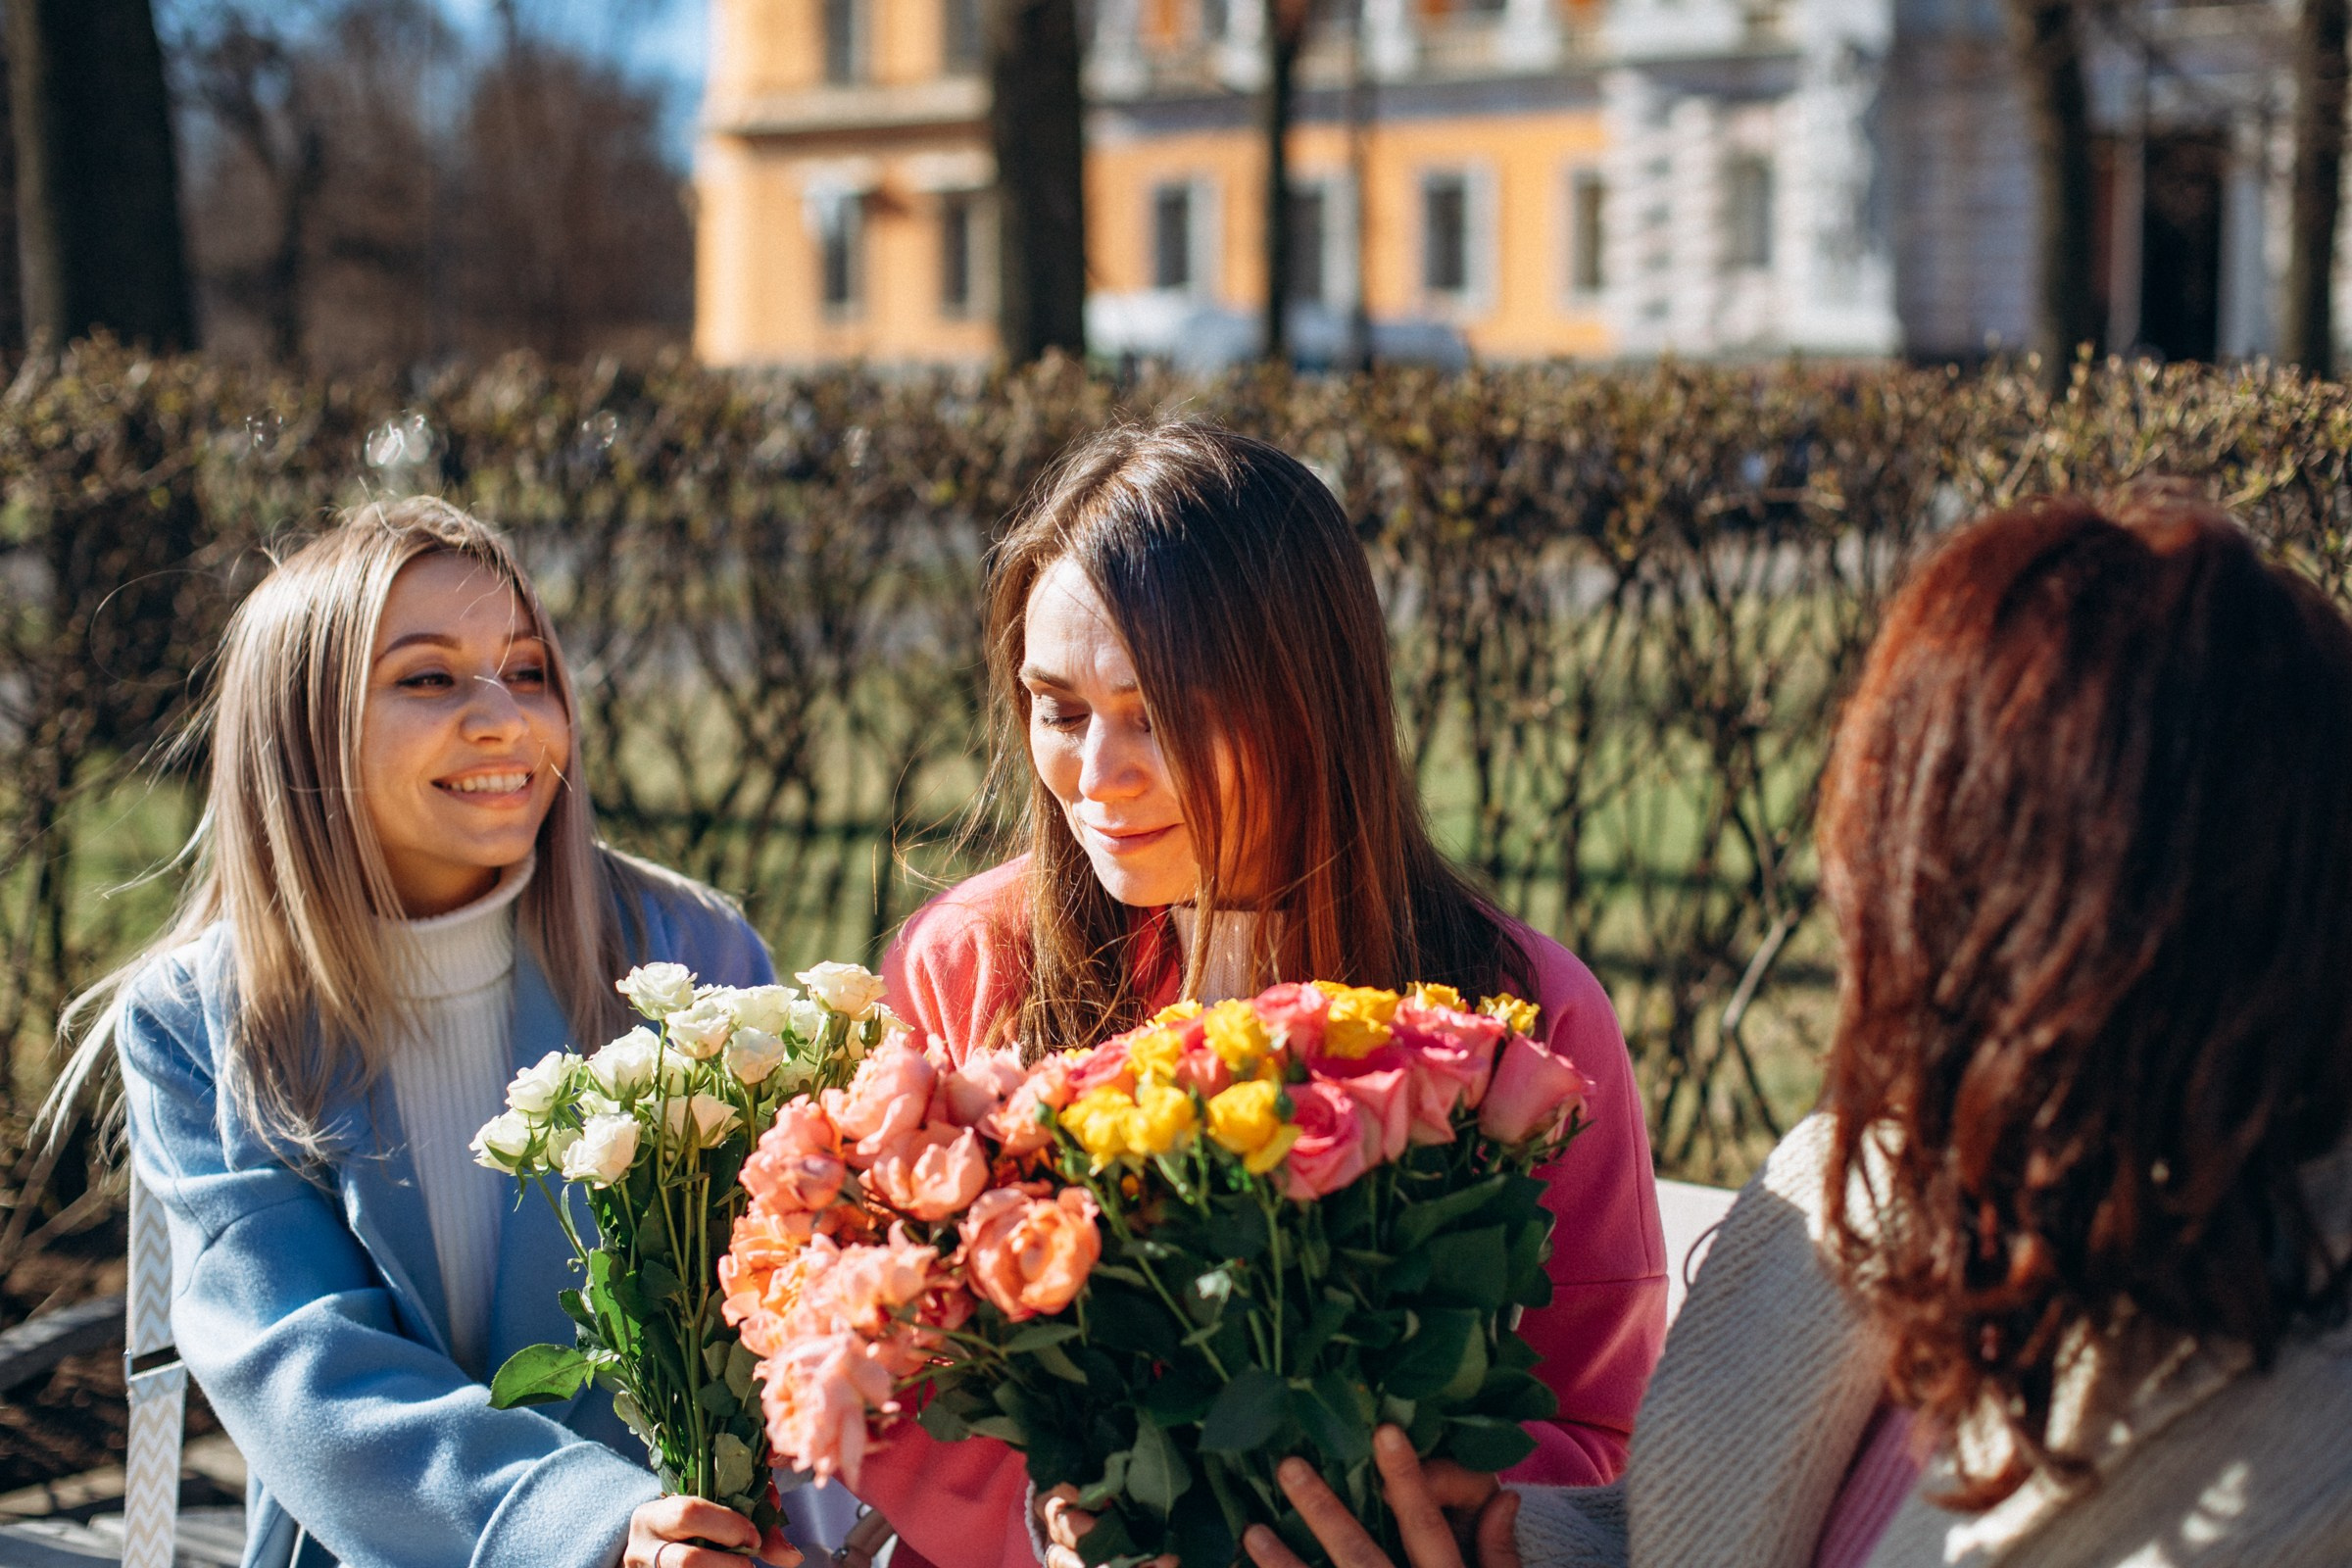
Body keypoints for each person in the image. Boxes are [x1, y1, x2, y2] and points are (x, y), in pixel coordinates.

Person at [1252, 489, 2352, 1568]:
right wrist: (1501, 1535)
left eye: (1910, 833)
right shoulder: (1860, 1186)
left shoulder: (2309, 1466)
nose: (1859, 893)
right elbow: (1662, 1536)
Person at [849, 423, 1669, 1568]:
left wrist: (1436, 1508)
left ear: (1305, 699)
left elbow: (1604, 1432)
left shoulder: (1522, 1016)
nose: (1097, 777)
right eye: (1061, 708)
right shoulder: (970, 965)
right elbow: (891, 1378)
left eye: (1159, 713)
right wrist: (1057, 1526)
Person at [67, 500, 827, 1568]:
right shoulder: (202, 1020)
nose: (506, 720)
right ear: (304, 723)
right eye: (429, 678)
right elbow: (304, 1368)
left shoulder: (687, 950)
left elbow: (795, 1293)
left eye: (527, 671)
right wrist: (598, 1528)